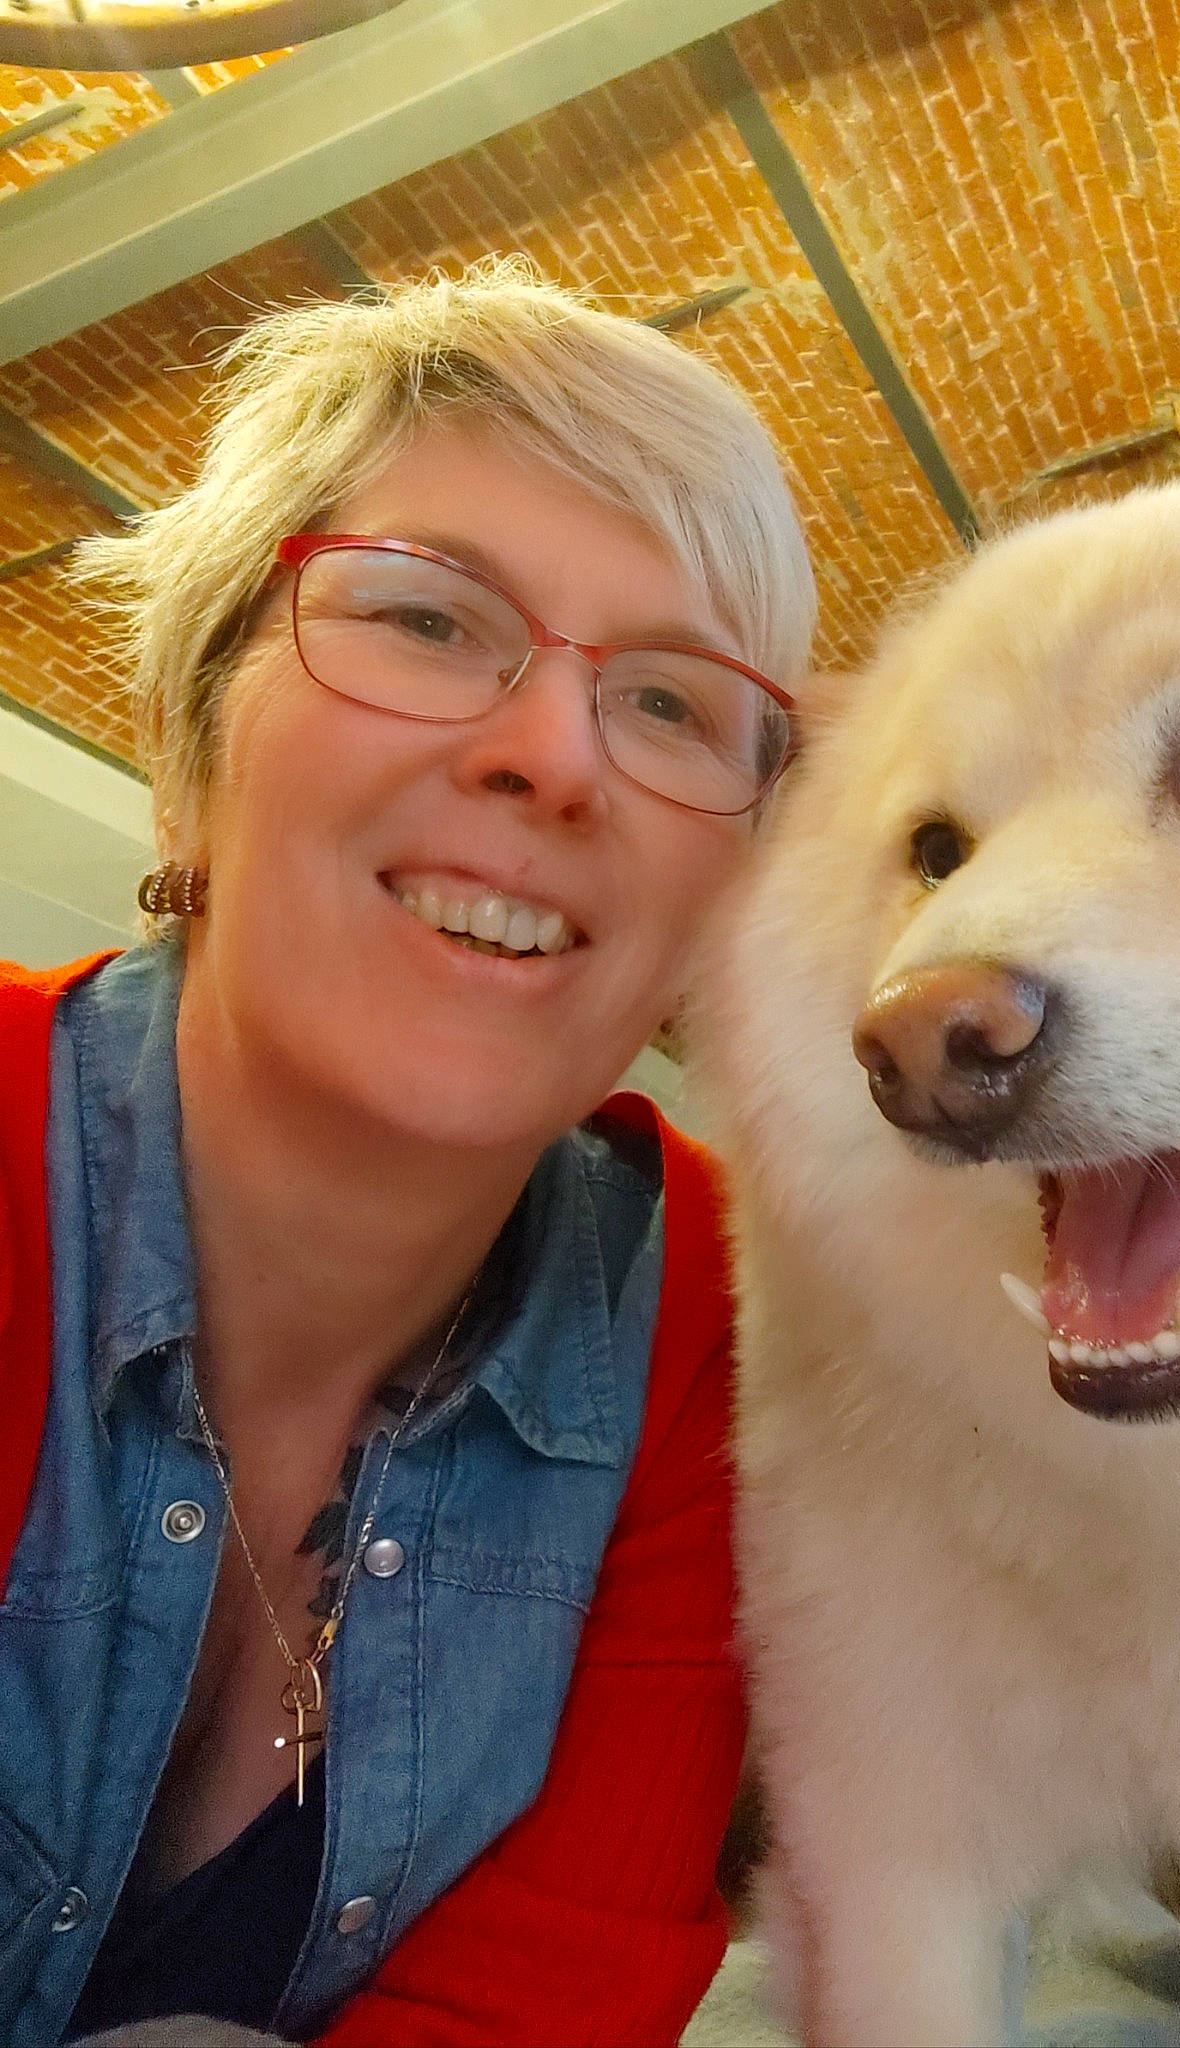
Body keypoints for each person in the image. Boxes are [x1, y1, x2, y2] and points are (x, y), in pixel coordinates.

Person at [0, 258, 815, 2047]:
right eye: (430, 618)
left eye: (671, 701)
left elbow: (542, 2003)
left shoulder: (723, 1321)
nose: (555, 757)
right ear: (190, 734)